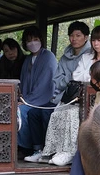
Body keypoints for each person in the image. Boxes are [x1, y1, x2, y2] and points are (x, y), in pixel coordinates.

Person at [36, 26, 100, 166]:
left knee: (72, 114)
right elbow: (76, 75)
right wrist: (95, 75)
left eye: (99, 40)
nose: (95, 43)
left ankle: (70, 152)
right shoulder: (87, 56)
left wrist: (90, 75)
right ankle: (54, 150)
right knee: (58, 110)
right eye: (94, 40)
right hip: (79, 97)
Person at [24, 21, 93, 163]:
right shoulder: (65, 55)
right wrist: (70, 77)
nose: (74, 39)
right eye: (71, 35)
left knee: (46, 113)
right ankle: (39, 149)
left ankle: (53, 150)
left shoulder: (89, 55)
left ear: (86, 37)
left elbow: (81, 78)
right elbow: (57, 80)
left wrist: (67, 78)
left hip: (76, 99)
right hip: (60, 97)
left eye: (78, 35)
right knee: (33, 113)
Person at [17, 26, 57, 153]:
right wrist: (21, 98)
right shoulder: (27, 59)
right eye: (29, 41)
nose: (32, 43)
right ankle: (20, 145)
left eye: (35, 39)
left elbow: (44, 85)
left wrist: (26, 101)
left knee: (21, 110)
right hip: (28, 98)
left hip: (44, 100)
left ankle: (27, 146)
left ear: (41, 40)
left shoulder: (48, 57)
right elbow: (23, 83)